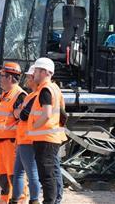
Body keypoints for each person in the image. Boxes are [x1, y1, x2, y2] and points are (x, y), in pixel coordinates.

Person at [26, 58, 67, 204]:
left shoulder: (45, 89)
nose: (34, 73)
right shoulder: (55, 88)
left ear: (44, 72)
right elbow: (62, 113)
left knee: (46, 175)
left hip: (45, 137)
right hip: (51, 136)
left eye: (36, 70)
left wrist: (34, 126)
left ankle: (49, 201)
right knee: (51, 173)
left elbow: (47, 113)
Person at [0, 62, 26, 204]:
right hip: (1, 143)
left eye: (2, 76)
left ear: (10, 78)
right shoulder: (5, 95)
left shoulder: (19, 96)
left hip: (11, 143)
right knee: (3, 178)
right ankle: (4, 201)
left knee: (15, 177)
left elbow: (22, 121)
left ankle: (20, 201)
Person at [10, 65, 41, 204]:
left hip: (28, 140)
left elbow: (21, 115)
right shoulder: (30, 96)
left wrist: (19, 110)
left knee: (30, 173)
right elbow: (17, 114)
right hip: (23, 139)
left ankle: (34, 200)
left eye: (29, 77)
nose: (27, 80)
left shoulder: (34, 96)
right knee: (18, 173)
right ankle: (15, 200)